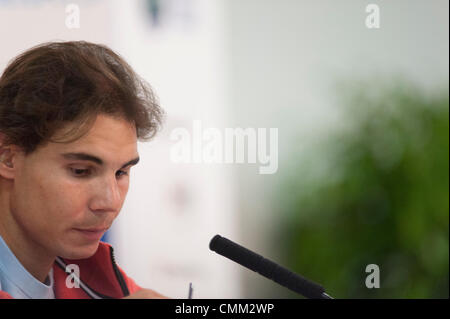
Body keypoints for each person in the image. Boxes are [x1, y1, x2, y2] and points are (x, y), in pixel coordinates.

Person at [0, 41, 167, 299]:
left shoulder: (103, 283)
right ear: (7, 158)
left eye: (121, 173)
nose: (109, 202)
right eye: (80, 171)